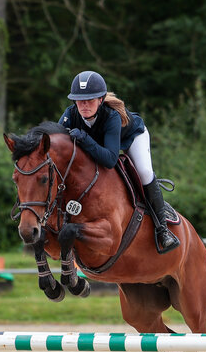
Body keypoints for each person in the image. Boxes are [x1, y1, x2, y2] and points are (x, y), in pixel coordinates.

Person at [58, 70, 179, 254]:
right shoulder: (70, 115)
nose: (84, 105)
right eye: (80, 100)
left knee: (145, 172)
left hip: (132, 137)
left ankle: (163, 229)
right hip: (102, 144)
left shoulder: (112, 116)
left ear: (100, 99)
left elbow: (110, 159)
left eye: (90, 100)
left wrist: (84, 138)